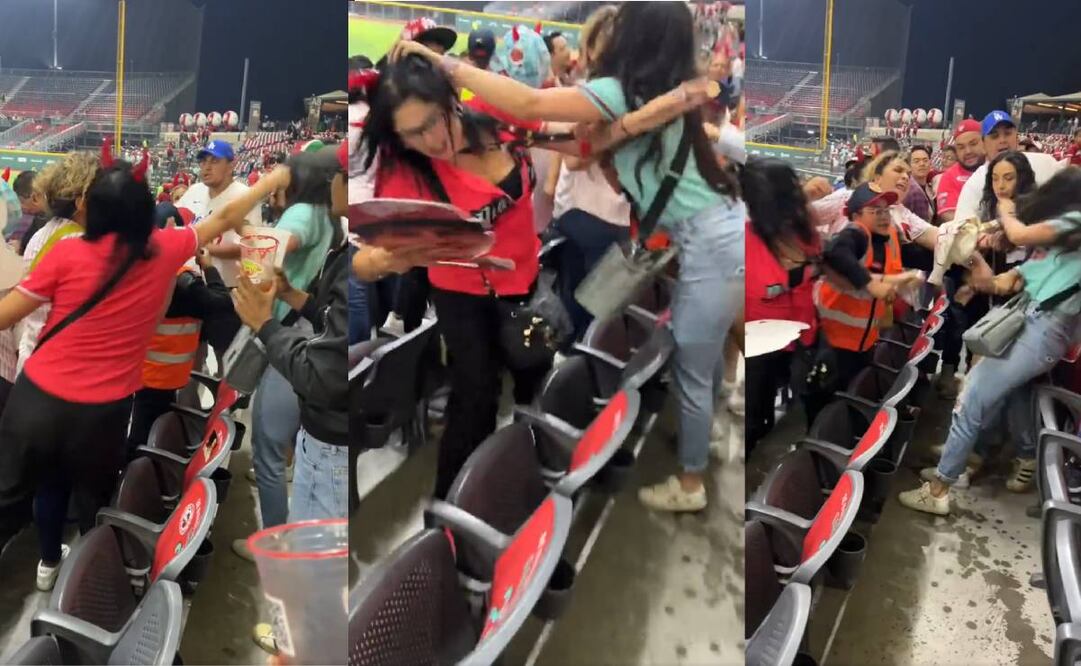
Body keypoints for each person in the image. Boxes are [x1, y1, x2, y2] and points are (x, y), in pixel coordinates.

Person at [390, 1, 745, 512]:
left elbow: (531, 104)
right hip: (711, 234)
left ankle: (692, 479)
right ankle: (699, 439)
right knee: (697, 356)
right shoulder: (653, 94)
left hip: (704, 241)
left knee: (693, 359)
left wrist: (446, 64)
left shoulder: (625, 91)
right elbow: (582, 146)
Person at [0, 153, 276, 582]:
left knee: (33, 489)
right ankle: (87, 578)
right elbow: (227, 217)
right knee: (94, 499)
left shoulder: (66, 252)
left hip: (39, 399)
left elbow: (7, 315)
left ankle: (49, 563)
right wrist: (273, 180)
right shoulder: (166, 249)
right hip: (102, 411)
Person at [900, 168, 1081, 515]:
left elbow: (1020, 233)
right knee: (1004, 396)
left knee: (972, 397)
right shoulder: (1059, 244)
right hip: (1031, 322)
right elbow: (1011, 280)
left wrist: (1006, 209)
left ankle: (940, 487)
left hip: (1043, 331)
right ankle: (967, 463)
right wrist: (979, 276)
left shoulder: (1074, 223)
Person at [233, 145, 348, 655]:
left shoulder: (307, 214)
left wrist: (265, 321)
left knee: (267, 446)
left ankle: (275, 554)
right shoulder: (336, 227)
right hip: (308, 344)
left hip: (326, 423)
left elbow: (322, 376)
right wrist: (292, 294)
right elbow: (331, 312)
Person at [808, 183, 923, 426]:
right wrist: (870, 284)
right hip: (833, 340)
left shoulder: (882, 240)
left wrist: (896, 281)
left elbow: (874, 276)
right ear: (856, 215)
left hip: (862, 340)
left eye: (886, 210)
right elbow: (836, 253)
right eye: (875, 211)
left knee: (851, 395)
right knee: (826, 406)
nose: (883, 216)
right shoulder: (856, 233)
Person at [127, 203, 232, 454]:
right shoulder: (182, 283)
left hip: (144, 372)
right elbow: (221, 303)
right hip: (160, 376)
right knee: (145, 439)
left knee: (146, 432)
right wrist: (208, 267)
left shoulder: (141, 271)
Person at [743, 157, 821, 449]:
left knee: (800, 399)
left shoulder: (804, 229)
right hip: (758, 344)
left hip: (803, 336)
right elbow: (762, 289)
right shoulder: (744, 239)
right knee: (753, 414)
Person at [175, 139, 263, 370]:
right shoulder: (194, 191)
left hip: (226, 291)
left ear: (231, 165)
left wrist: (200, 247)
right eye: (203, 161)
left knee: (226, 358)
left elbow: (250, 247)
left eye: (214, 161)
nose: (206, 167)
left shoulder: (245, 196)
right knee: (190, 357)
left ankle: (223, 394)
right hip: (193, 288)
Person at [954, 110, 1064, 222]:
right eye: (994, 136)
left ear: (1016, 137)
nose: (1002, 140)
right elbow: (962, 227)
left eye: (1007, 133)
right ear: (983, 144)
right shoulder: (975, 183)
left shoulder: (1045, 163)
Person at [936, 120, 987, 224]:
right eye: (961, 147)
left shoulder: (998, 168)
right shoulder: (949, 176)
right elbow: (949, 215)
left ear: (985, 142)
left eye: (973, 144)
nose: (968, 151)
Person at [905, 145, 935, 222]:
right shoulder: (909, 191)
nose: (922, 164)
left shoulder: (931, 187)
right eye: (916, 161)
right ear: (909, 166)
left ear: (930, 163)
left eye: (925, 160)